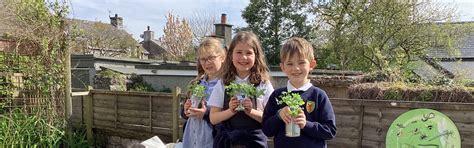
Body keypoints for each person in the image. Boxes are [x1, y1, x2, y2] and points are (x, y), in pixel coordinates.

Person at [262, 37, 337, 148]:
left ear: (311, 65)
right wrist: (278, 116)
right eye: (290, 64)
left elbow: (330, 131)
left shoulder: (319, 95)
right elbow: (267, 130)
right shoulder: (277, 96)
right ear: (282, 67)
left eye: (301, 62)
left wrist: (306, 124)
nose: (296, 68)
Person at [208, 31, 274, 148]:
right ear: (231, 55)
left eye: (249, 53)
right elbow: (213, 118)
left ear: (256, 56)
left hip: (255, 143)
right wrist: (231, 110)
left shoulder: (263, 84)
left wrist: (251, 111)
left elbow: (271, 120)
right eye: (239, 52)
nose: (243, 57)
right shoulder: (223, 83)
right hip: (228, 143)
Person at [181, 38, 226, 148]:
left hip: (212, 141)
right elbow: (184, 114)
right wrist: (186, 110)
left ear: (222, 57)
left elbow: (230, 120)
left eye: (211, 58)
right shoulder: (196, 83)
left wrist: (205, 115)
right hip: (192, 139)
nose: (207, 63)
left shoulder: (227, 85)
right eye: (203, 59)